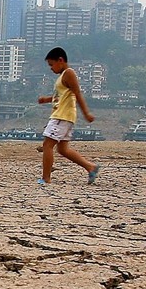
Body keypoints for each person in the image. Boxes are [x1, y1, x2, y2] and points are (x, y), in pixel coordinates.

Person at [37, 47, 100, 186]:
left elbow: (77, 93)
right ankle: (90, 167)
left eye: (51, 64)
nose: (51, 68)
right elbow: (61, 96)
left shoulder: (68, 73)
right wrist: (46, 99)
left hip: (62, 116)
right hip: (64, 116)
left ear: (61, 60)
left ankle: (46, 178)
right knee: (62, 149)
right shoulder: (62, 77)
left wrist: (86, 113)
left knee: (47, 145)